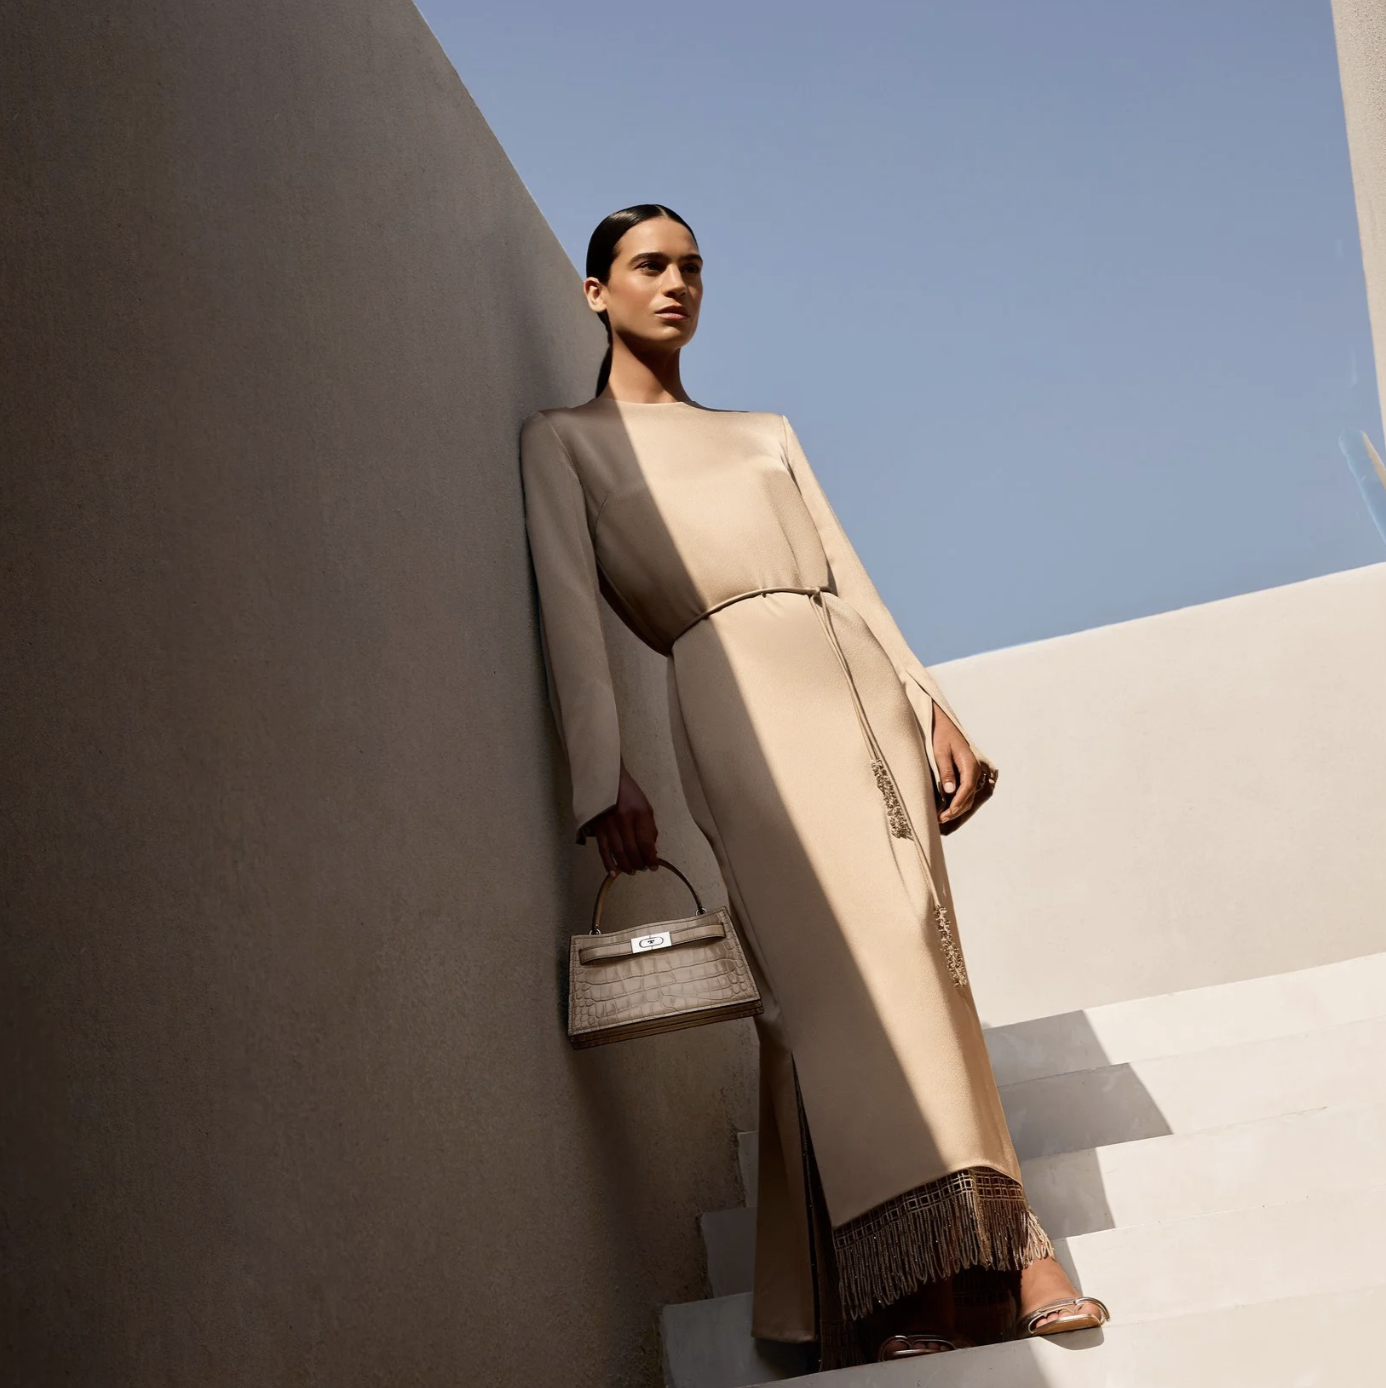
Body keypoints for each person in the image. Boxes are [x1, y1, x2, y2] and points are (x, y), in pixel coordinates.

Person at [519, 203, 1109, 1366]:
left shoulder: (764, 429)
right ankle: (924, 1267)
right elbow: (571, 623)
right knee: (829, 979)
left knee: (922, 951)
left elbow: (850, 576)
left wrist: (929, 698)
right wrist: (603, 775)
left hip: (861, 701)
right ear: (597, 292)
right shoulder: (566, 442)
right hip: (732, 699)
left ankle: (991, 1253)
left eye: (692, 266)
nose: (676, 283)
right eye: (649, 266)